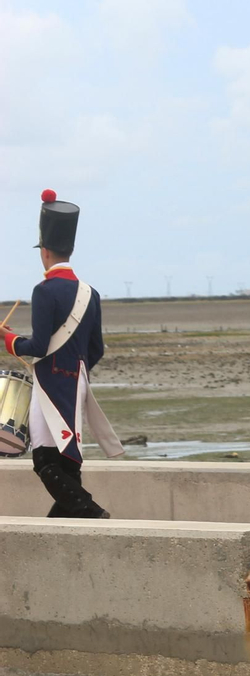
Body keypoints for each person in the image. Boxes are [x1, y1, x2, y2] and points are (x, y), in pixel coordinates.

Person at [4, 189, 121, 517]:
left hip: (50, 384)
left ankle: (92, 512)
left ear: (44, 251)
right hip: (77, 382)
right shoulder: (91, 293)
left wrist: (10, 340)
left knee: (43, 460)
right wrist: (77, 374)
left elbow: (39, 346)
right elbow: (95, 349)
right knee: (66, 458)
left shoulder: (44, 292)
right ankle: (65, 520)